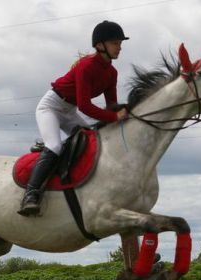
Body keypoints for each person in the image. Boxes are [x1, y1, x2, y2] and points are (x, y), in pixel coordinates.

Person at [18, 20, 130, 216]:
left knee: (92, 142)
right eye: (115, 43)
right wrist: (114, 117)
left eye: (120, 43)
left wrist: (128, 110)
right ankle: (31, 195)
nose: (119, 47)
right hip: (51, 107)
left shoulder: (112, 72)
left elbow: (111, 104)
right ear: (100, 45)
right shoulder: (86, 66)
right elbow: (86, 106)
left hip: (69, 111)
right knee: (54, 146)